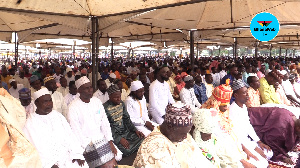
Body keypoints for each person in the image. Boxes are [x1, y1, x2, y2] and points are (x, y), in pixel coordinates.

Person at [133, 102, 214, 168]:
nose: (185, 137)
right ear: (169, 127)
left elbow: (197, 158)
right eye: (183, 134)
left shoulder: (180, 136)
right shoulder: (154, 148)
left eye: (186, 133)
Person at [23, 88, 88, 168]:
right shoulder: (30, 123)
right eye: (45, 101)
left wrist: (77, 154)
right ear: (36, 103)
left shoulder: (58, 116)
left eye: (50, 100)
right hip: (47, 162)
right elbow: (35, 148)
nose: (49, 104)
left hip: (68, 158)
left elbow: (70, 135)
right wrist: (50, 164)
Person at [67, 76, 121, 167]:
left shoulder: (97, 102)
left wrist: (110, 141)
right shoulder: (73, 107)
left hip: (101, 138)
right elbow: (76, 132)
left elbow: (105, 123)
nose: (90, 90)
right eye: (86, 88)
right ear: (79, 91)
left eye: (91, 87)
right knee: (104, 164)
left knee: (117, 156)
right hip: (86, 143)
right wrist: (87, 148)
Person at [229, 79, 272, 167]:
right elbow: (236, 136)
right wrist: (253, 148)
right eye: (244, 93)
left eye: (247, 92)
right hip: (240, 144)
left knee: (269, 153)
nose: (247, 95)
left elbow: (248, 126)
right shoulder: (232, 110)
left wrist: (258, 141)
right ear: (236, 95)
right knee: (262, 163)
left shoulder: (244, 107)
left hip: (247, 141)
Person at [0, 88, 41, 167]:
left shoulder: (6, 99)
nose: (26, 102)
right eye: (24, 100)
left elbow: (20, 118)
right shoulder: (7, 100)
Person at [103, 84, 144, 156]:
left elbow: (127, 119)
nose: (119, 99)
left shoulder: (121, 103)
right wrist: (119, 139)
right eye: (116, 97)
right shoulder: (104, 108)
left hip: (126, 132)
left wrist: (135, 130)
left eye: (119, 96)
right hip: (115, 135)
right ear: (110, 97)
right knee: (126, 150)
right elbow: (107, 127)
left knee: (142, 139)